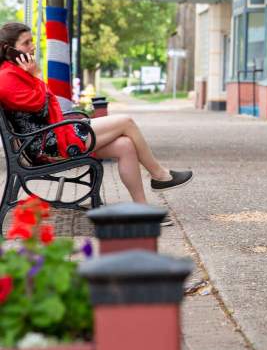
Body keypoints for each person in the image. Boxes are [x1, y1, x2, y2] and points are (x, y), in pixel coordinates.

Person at [0, 22, 192, 215]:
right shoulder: (7, 78)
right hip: (46, 145)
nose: (32, 46)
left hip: (52, 135)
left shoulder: (15, 72)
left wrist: (33, 76)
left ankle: (141, 209)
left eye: (32, 41)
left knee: (126, 145)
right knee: (126, 122)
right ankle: (159, 175)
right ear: (10, 50)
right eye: (26, 43)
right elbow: (40, 104)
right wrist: (37, 75)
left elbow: (41, 104)